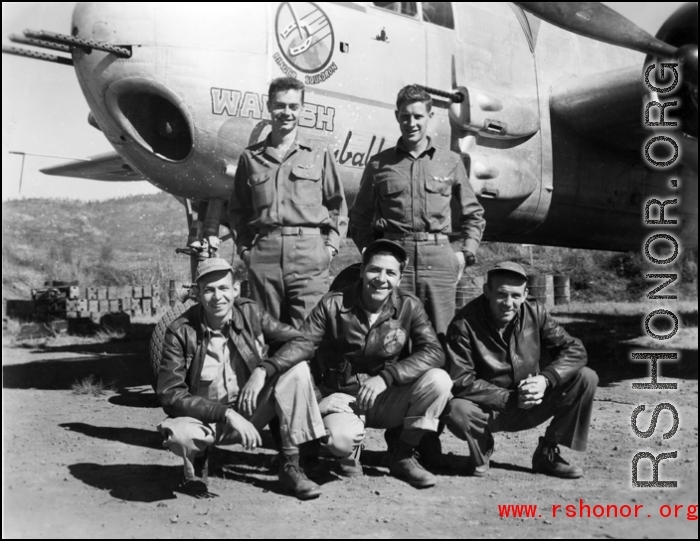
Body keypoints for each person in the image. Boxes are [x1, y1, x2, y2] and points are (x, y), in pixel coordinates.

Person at [156, 258, 327, 500]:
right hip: (206, 421)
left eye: (224, 288)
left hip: (250, 411)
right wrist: (225, 414)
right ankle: (196, 465)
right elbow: (170, 393)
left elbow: (302, 342)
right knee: (180, 435)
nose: (217, 297)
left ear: (236, 289)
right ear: (196, 294)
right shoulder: (180, 330)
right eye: (209, 290)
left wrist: (264, 369)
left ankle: (291, 465)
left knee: (296, 370)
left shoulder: (250, 313)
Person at [298, 239, 453, 488]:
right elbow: (299, 353)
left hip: (385, 398)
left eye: (390, 272)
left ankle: (402, 456)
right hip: (343, 398)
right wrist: (318, 400)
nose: (381, 278)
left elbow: (434, 352)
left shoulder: (409, 306)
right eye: (374, 270)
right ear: (361, 271)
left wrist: (387, 377)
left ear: (399, 279)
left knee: (439, 380)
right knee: (340, 441)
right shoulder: (332, 304)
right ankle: (349, 451)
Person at [349, 84, 485, 336]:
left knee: (442, 336)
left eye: (418, 116)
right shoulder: (380, 164)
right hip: (395, 260)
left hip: (440, 260)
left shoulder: (451, 161)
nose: (411, 123)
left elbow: (473, 214)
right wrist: (370, 252)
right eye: (405, 116)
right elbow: (358, 217)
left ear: (430, 117)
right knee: (391, 335)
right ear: (397, 116)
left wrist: (466, 254)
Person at [442, 261, 598, 478]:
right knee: (457, 410)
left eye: (516, 296)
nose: (508, 303)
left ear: (525, 295)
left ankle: (548, 452)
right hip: (489, 409)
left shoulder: (535, 312)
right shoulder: (463, 324)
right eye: (501, 294)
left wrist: (545, 380)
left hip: (532, 404)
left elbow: (574, 349)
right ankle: (482, 445)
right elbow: (461, 380)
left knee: (585, 377)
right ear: (487, 291)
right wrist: (511, 398)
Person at [228, 76, 348, 328]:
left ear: (302, 109)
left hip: (309, 254)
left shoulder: (319, 153)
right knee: (266, 334)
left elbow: (337, 206)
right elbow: (238, 211)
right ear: (269, 106)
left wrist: (330, 250)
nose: (287, 113)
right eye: (280, 106)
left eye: (293, 107)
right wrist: (246, 252)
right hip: (265, 256)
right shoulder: (250, 158)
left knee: (311, 335)